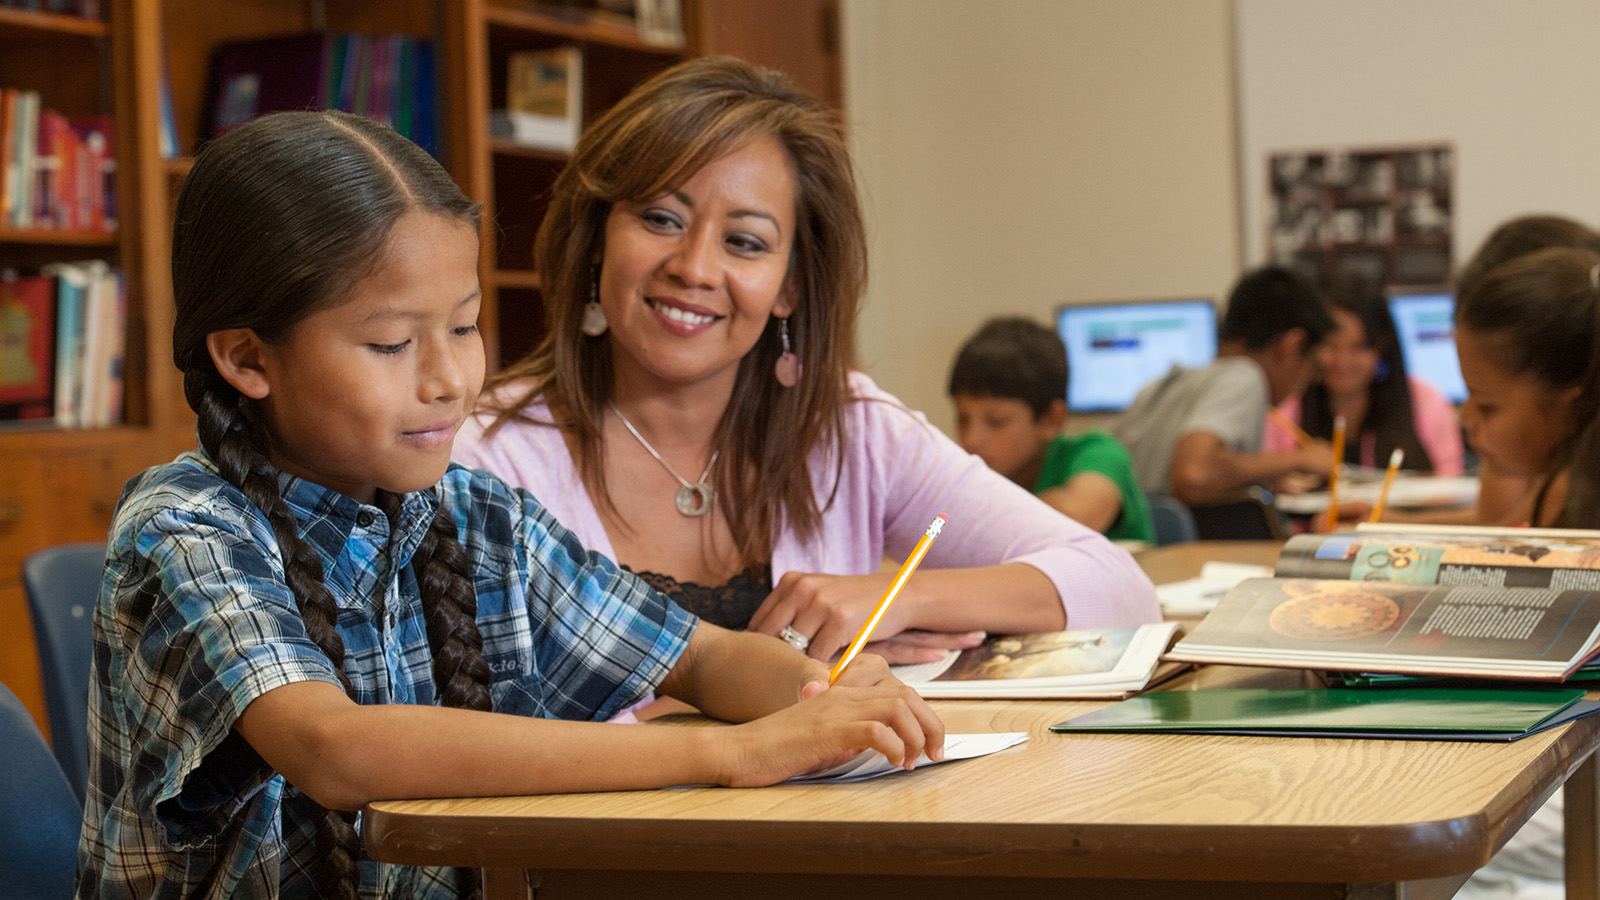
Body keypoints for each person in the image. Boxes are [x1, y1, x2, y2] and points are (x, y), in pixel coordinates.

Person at [78, 109, 945, 899]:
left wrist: (821, 691)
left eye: (463, 326)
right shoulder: (185, 528)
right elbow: (334, 749)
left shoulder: (480, 516)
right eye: (390, 343)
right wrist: (727, 751)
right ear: (248, 358)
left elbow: (706, 658)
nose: (452, 378)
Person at [453, 56, 1159, 677]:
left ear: (790, 285)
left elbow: (1117, 587)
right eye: (661, 219)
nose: (695, 267)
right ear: (598, 238)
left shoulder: (850, 430)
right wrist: (789, 688)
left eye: (746, 242)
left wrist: (897, 598)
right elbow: (482, 723)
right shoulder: (485, 459)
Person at [1450, 244, 1600, 900]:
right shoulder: (1554, 486)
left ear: (1570, 402)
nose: (1465, 422)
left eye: (1486, 405)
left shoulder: (1581, 500)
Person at [1108, 265, 1336, 506]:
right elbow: (1194, 475)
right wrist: (1298, 459)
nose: (1305, 382)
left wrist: (1258, 479)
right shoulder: (1245, 376)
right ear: (1291, 345)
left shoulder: (1170, 384)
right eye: (1312, 366)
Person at [946, 317, 1155, 543]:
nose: (971, 439)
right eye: (963, 419)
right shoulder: (970, 477)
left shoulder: (1097, 452)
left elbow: (1078, 513)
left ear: (1051, 420)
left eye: (997, 421)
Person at [1262, 276, 1464, 476]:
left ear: (1382, 345)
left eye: (1359, 348)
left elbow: (1450, 484)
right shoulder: (1285, 406)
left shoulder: (1425, 402)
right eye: (1330, 345)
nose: (1343, 362)